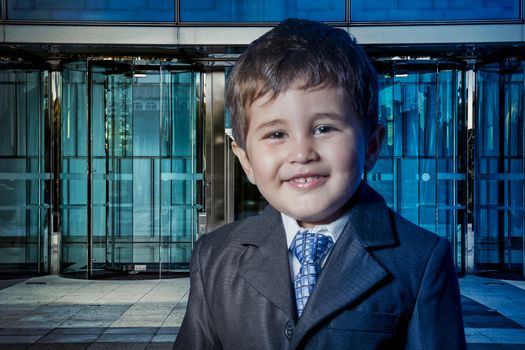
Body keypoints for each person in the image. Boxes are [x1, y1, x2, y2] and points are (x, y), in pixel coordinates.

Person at [174, 18, 466, 350]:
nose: (301, 153)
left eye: (324, 128)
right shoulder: (215, 255)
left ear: (371, 146)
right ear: (246, 162)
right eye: (276, 134)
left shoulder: (421, 259)